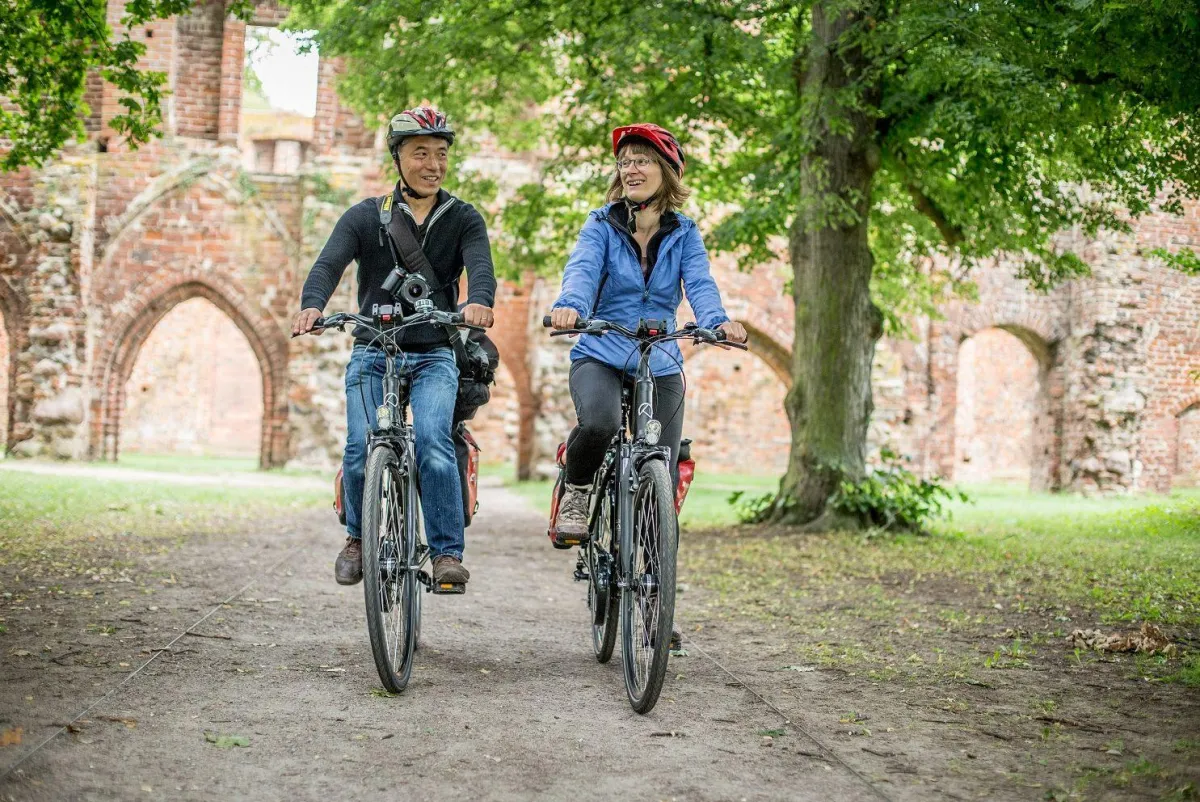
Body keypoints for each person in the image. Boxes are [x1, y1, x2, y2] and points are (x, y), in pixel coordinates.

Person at [293, 107, 496, 589]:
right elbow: (328, 265)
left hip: (433, 355)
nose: (433, 164)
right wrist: (311, 305)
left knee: (433, 443)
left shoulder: (463, 218)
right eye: (420, 153)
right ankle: (359, 538)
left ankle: (446, 553)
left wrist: (480, 302)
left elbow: (480, 268)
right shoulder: (366, 217)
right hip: (373, 352)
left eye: (441, 154)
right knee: (362, 446)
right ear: (398, 159)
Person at [548, 123, 748, 540]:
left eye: (641, 161)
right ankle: (577, 491)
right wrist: (571, 307)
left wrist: (716, 322)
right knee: (600, 424)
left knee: (665, 462)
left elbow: (700, 284)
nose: (630, 170)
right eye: (624, 163)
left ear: (666, 170)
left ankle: (654, 566)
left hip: (660, 359)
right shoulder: (601, 224)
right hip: (601, 352)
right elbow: (582, 271)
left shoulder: (685, 233)